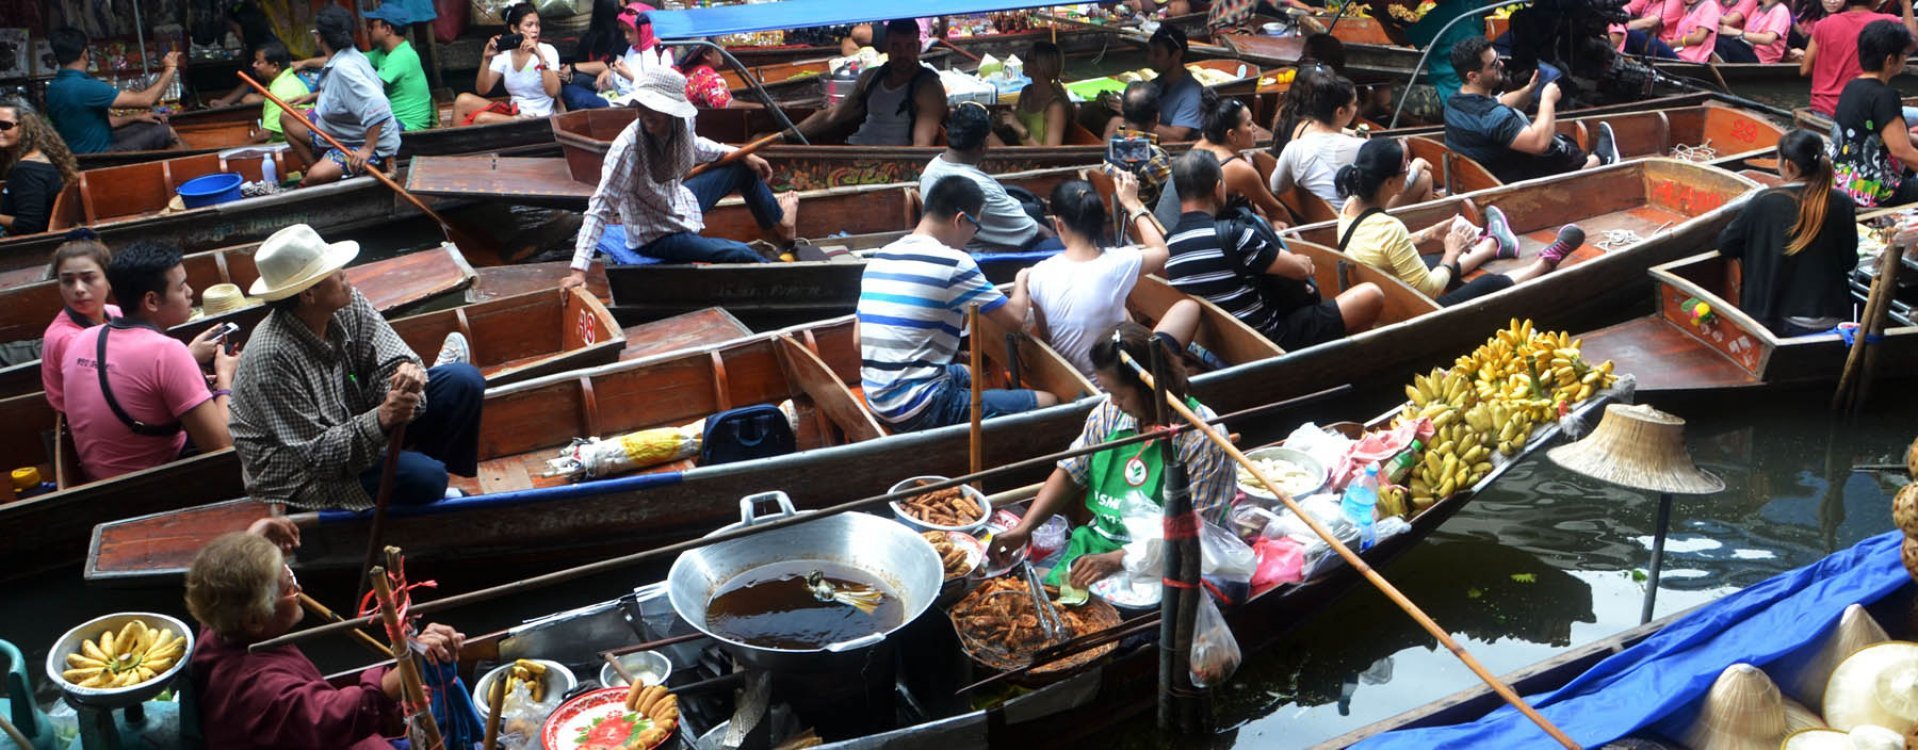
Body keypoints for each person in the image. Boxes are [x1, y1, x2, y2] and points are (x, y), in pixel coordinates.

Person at [229, 223, 483, 510]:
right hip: (302, 473)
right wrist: (383, 416)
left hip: (355, 424)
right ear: (308, 294)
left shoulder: (348, 302)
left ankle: (432, 483)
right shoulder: (272, 357)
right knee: (426, 477)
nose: (346, 276)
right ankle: (424, 483)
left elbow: (394, 356)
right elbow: (317, 457)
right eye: (335, 274)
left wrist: (402, 375)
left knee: (462, 382)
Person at [988, 322, 1233, 589]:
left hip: (1167, 562)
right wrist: (1025, 528)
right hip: (1099, 542)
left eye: (1118, 394)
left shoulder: (1201, 437)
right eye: (1108, 393)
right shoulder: (1109, 414)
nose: (1112, 402)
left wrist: (1118, 559)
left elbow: (1195, 533)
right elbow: (1071, 472)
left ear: (1148, 387)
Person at [187, 525, 465, 750]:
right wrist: (404, 669)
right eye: (288, 587)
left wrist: (254, 538)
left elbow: (229, 580)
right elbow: (331, 718)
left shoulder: (218, 622)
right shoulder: (261, 690)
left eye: (291, 575)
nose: (299, 588)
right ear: (255, 621)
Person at [856, 176, 1060, 432]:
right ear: (960, 219)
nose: (974, 234)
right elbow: (1015, 320)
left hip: (877, 397)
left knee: (967, 371)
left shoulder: (881, 257)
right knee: (1049, 402)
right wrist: (1021, 280)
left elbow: (857, 340)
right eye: (976, 226)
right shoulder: (954, 263)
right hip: (920, 407)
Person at [566, 67, 795, 283]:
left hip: (681, 202)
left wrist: (739, 154)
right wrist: (578, 271)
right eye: (642, 106)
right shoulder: (627, 148)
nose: (646, 114)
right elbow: (600, 207)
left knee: (743, 167)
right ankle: (784, 274)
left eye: (655, 108)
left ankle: (780, 227)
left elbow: (694, 146)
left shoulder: (683, 121)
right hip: (655, 236)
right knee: (742, 252)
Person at [1165, 150, 1383, 350]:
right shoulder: (1235, 234)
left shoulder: (1170, 246)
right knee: (1371, 295)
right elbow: (1300, 270)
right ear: (1218, 187)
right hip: (1271, 339)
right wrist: (1301, 258)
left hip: (1227, 346)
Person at [57, 241, 236, 481]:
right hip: (152, 488)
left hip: (96, 483)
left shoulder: (81, 339)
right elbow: (221, 448)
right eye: (181, 286)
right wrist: (226, 376)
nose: (190, 292)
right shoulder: (168, 352)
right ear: (151, 300)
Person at [1336, 139, 1581, 307]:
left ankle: (1492, 246)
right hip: (1404, 309)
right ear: (1389, 182)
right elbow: (1429, 289)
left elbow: (1380, 248)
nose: (1410, 169)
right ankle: (1545, 263)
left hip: (1384, 288)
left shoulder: (1350, 205)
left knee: (1430, 262)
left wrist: (1430, 233)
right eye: (1405, 167)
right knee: (1486, 283)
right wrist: (1452, 251)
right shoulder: (1388, 228)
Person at [1026, 174, 1201, 377]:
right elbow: (1162, 251)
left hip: (1076, 384)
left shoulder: (1039, 272)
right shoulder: (1118, 262)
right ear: (1100, 219)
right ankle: (1169, 374)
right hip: (1122, 380)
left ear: (1059, 224)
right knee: (1189, 308)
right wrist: (1132, 203)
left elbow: (1047, 338)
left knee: (1125, 314)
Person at [1717, 129, 1858, 337]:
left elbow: (1725, 244)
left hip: (1779, 321)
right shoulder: (1843, 202)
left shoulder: (1764, 202)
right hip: (1835, 316)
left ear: (1789, 165)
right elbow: (1849, 261)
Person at [1444, 37, 1619, 185]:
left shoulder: (1455, 102)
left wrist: (1528, 90)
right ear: (1473, 76)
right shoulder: (1491, 117)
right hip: (1510, 183)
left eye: (1498, 58)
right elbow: (1538, 143)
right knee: (1554, 148)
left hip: (1479, 178)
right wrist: (1547, 100)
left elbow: (1500, 103)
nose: (1502, 64)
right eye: (1494, 64)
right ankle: (1600, 160)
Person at [1271, 72, 1432, 208]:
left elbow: (1276, 187)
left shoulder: (1294, 147)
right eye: (1354, 104)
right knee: (1424, 177)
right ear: (1340, 112)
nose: (1356, 108)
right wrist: (1418, 164)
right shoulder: (1361, 148)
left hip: (1325, 221)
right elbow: (1397, 186)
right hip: (1358, 225)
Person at [282, 6, 400, 187]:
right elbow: (344, 94)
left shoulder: (344, 69)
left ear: (319, 37)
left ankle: (317, 177)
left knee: (316, 176)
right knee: (287, 118)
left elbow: (379, 105)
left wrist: (367, 148)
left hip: (360, 142)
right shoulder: (344, 56)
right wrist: (313, 97)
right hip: (334, 130)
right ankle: (319, 166)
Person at [919, 103, 1053, 253]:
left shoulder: (930, 169)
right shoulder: (980, 188)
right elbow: (1038, 232)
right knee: (1054, 243)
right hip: (989, 257)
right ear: (984, 145)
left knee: (1027, 202)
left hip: (966, 242)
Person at [793, 19, 946, 147]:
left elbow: (921, 147)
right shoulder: (871, 77)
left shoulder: (928, 89)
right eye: (896, 46)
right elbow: (833, 115)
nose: (902, 54)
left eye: (909, 47)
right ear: (886, 47)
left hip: (891, 165)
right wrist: (786, 135)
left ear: (918, 47)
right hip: (855, 149)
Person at [44, 27, 182, 154]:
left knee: (147, 125)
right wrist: (170, 69)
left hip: (80, 154)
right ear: (85, 54)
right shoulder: (85, 87)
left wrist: (137, 117)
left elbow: (100, 122)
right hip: (101, 157)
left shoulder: (53, 88)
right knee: (167, 132)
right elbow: (147, 100)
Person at [1831, 20, 1918, 207]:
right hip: (1877, 190)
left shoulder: (1852, 86)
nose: (1905, 59)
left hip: (1844, 182)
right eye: (1903, 54)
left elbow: (1886, 135)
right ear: (1890, 60)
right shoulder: (1885, 96)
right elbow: (1901, 151)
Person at [39, 233, 118, 407]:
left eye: (88, 278)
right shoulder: (66, 338)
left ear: (109, 280)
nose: (78, 289)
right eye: (68, 281)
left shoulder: (116, 314)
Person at [1801, 0, 1917, 117]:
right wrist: (1906, 5)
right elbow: (1912, 44)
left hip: (1821, 109)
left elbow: (1805, 69)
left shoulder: (1823, 24)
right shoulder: (1886, 23)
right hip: (1862, 108)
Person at [456, 3, 563, 126]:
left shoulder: (548, 51)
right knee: (462, 100)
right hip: (515, 112)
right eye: (529, 25)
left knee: (482, 118)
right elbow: (483, 90)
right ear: (514, 29)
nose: (535, 30)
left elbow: (553, 92)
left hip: (539, 117)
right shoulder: (504, 54)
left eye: (537, 25)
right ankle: (451, 144)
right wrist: (486, 59)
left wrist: (541, 58)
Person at [1194, 98, 1292, 225]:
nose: (1255, 128)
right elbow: (1276, 210)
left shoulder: (1202, 144)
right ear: (1232, 135)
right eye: (1249, 124)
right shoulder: (1238, 169)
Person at [0, 100, 78, 237]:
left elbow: (28, 225)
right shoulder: (40, 156)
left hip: (25, 248)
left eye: (5, 125)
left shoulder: (27, 171)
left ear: (25, 127)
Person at [1101, 81, 1174, 211]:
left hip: (1125, 218)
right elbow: (1175, 196)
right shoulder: (1153, 157)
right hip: (1147, 221)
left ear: (1123, 112)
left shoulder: (1114, 141)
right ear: (1157, 118)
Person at [364, 5, 435, 132]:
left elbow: (368, 89)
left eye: (372, 27)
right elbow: (350, 58)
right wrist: (316, 61)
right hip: (395, 121)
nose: (369, 30)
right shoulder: (383, 53)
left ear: (387, 29)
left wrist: (318, 96)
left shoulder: (401, 56)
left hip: (407, 126)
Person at [207, 0, 287, 108]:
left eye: (234, 30)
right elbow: (250, 81)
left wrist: (257, 97)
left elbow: (278, 87)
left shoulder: (269, 48)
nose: (233, 34)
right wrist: (224, 102)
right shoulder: (252, 47)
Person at [996, 42, 1072, 147]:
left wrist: (1019, 128)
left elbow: (1051, 154)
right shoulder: (1026, 92)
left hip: (1036, 160)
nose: (1023, 62)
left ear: (1040, 67)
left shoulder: (1055, 107)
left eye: (1027, 58)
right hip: (1017, 151)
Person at [559, 0, 625, 111]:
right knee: (569, 83)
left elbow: (608, 65)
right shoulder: (591, 37)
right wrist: (566, 71)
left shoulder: (622, 36)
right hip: (591, 84)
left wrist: (573, 67)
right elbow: (581, 61)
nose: (623, 5)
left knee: (577, 81)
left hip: (611, 83)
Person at [602, 3, 676, 100]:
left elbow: (658, 92)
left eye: (630, 31)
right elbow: (623, 85)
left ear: (645, 29)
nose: (626, 36)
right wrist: (611, 75)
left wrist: (631, 77)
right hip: (623, 99)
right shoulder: (632, 49)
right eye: (624, 31)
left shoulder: (660, 54)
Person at [1144, 25, 1205, 141]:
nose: (1150, 58)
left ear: (1177, 54)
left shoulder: (1192, 94)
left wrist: (1134, 118)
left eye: (1157, 54)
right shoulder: (1156, 83)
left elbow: (1176, 136)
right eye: (1150, 52)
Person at [244, 42, 312, 144]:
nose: (254, 65)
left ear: (275, 66)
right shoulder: (289, 80)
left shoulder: (280, 89)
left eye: (259, 62)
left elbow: (266, 134)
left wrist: (239, 147)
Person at [1718, 0, 1798, 62]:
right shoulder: (1757, 9)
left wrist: (1736, 32)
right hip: (1748, 50)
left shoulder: (1780, 10)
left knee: (1719, 42)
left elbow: (1768, 39)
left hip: (1760, 60)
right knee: (1718, 38)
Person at [678, 42, 734, 109]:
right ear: (707, 55)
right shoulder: (710, 78)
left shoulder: (686, 75)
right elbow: (724, 105)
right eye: (719, 45)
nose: (723, 48)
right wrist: (750, 105)